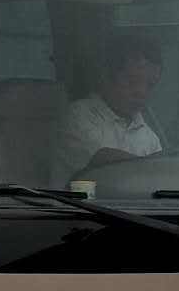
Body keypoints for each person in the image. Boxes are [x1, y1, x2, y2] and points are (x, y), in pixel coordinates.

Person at [56, 37, 163, 185]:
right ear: (107, 77)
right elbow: (103, 160)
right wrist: (154, 167)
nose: (141, 91)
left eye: (150, 84)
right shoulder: (78, 116)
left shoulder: (150, 138)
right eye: (132, 80)